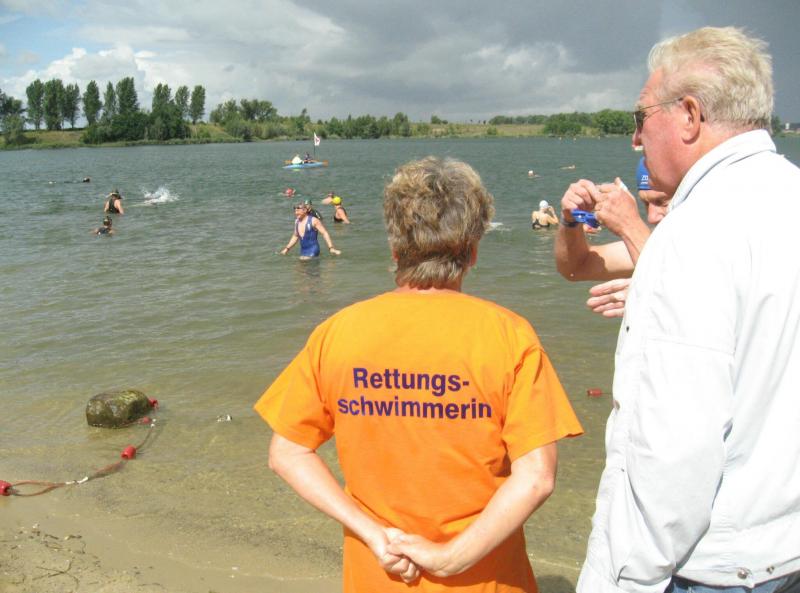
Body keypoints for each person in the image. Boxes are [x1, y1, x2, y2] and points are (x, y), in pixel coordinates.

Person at [256, 156, 583, 593]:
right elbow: (536, 477)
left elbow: (287, 454)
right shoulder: (510, 336)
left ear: (395, 250)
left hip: (378, 574)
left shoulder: (337, 332)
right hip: (486, 581)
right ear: (472, 252)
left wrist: (374, 534)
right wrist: (451, 558)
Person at [577, 27, 800, 593]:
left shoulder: (692, 232)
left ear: (690, 116)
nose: (635, 139)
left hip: (710, 565)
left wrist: (623, 576)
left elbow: (672, 448)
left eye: (641, 116)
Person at [554, 157, 671, 317]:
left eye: (662, 202)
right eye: (646, 203)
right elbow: (576, 267)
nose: (651, 217)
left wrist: (629, 224)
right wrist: (570, 219)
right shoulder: (654, 243)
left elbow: (689, 292)